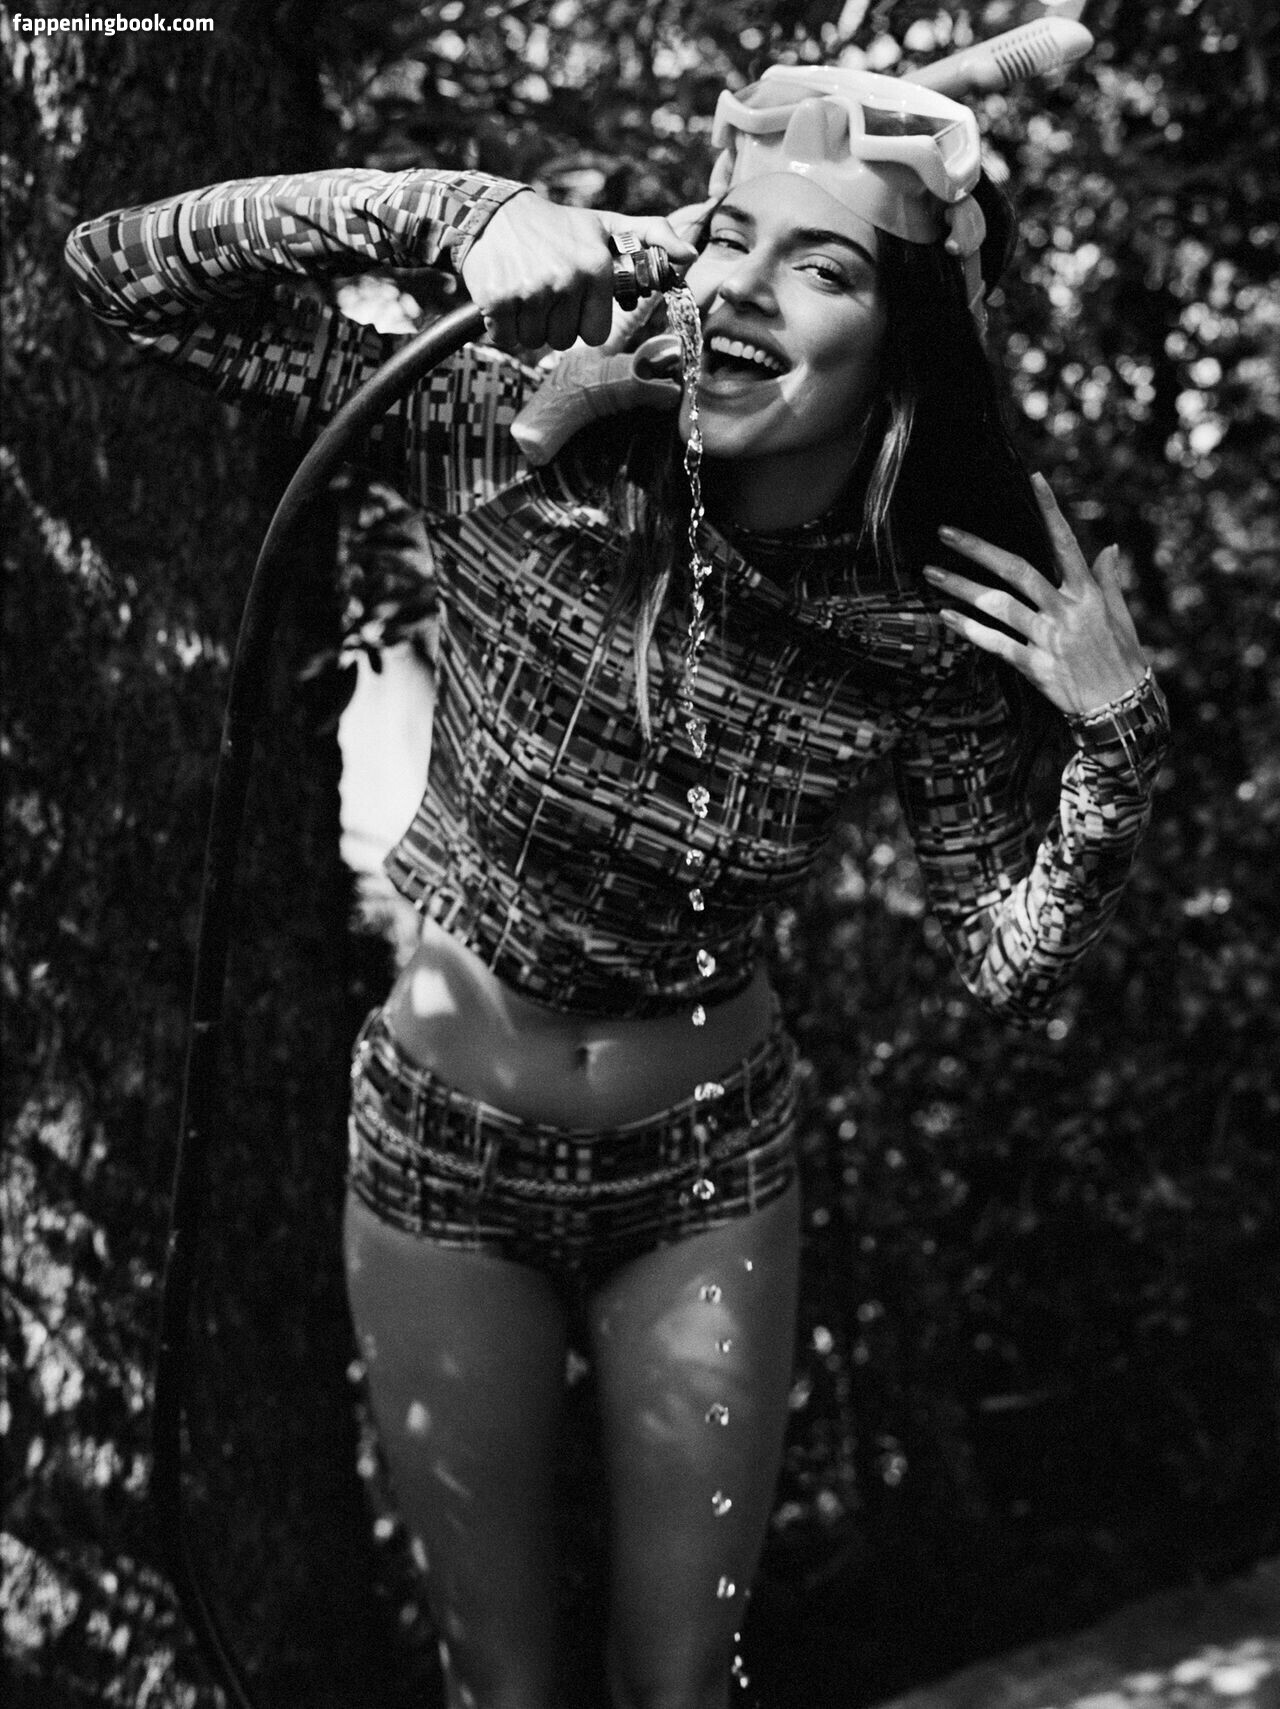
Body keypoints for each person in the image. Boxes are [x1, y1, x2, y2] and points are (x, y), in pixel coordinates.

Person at [66, 61, 1169, 1709]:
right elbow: (120, 273)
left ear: (905, 341)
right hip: (443, 1150)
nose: (750, 287)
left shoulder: (922, 621)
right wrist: (467, 211)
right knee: (502, 1687)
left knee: (682, 1683)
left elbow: (1006, 955)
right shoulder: (512, 440)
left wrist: (1115, 742)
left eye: (824, 264)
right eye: (733, 240)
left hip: (709, 1166)